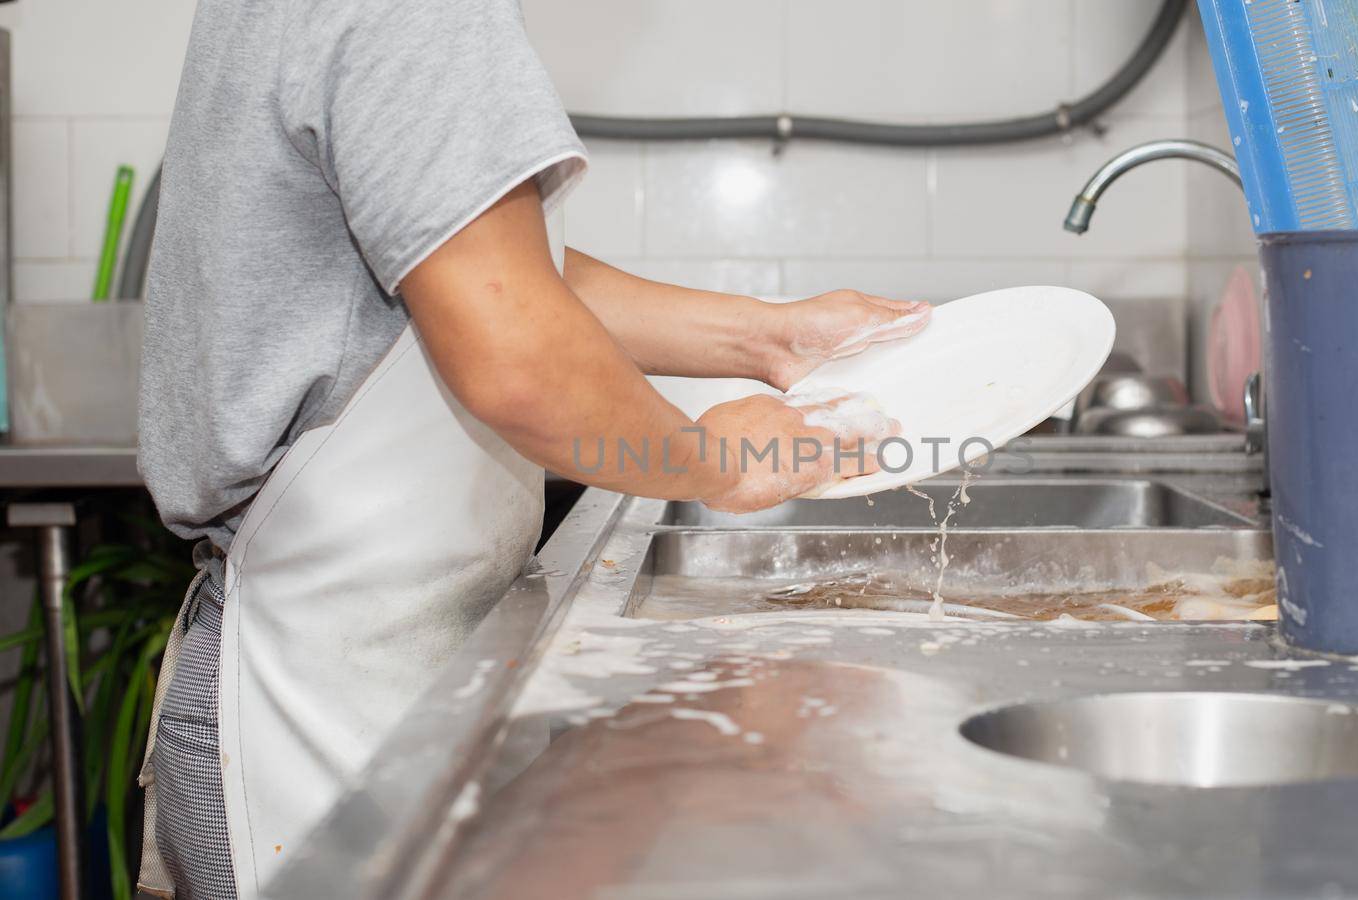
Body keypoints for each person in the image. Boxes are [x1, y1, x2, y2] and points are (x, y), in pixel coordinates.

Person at [133, 1, 929, 897]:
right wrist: (720, 460)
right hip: (316, 710)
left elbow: (481, 263)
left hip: (382, 677)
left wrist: (773, 340)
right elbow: (515, 353)